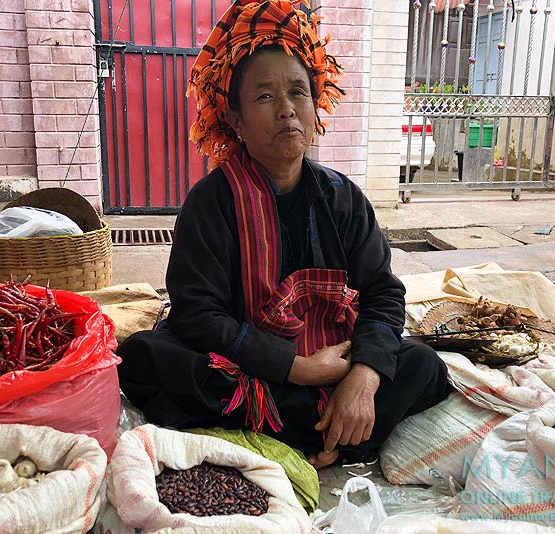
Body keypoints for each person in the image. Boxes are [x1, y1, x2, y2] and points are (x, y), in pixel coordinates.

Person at [117, 0, 451, 469]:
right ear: (234, 120)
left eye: (298, 92)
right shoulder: (211, 202)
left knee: (425, 366)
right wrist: (296, 367)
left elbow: (383, 293)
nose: (286, 110)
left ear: (315, 105)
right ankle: (338, 437)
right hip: (254, 372)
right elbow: (196, 315)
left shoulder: (344, 198)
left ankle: (317, 424)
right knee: (143, 358)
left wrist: (365, 378)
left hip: (335, 361)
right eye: (264, 97)